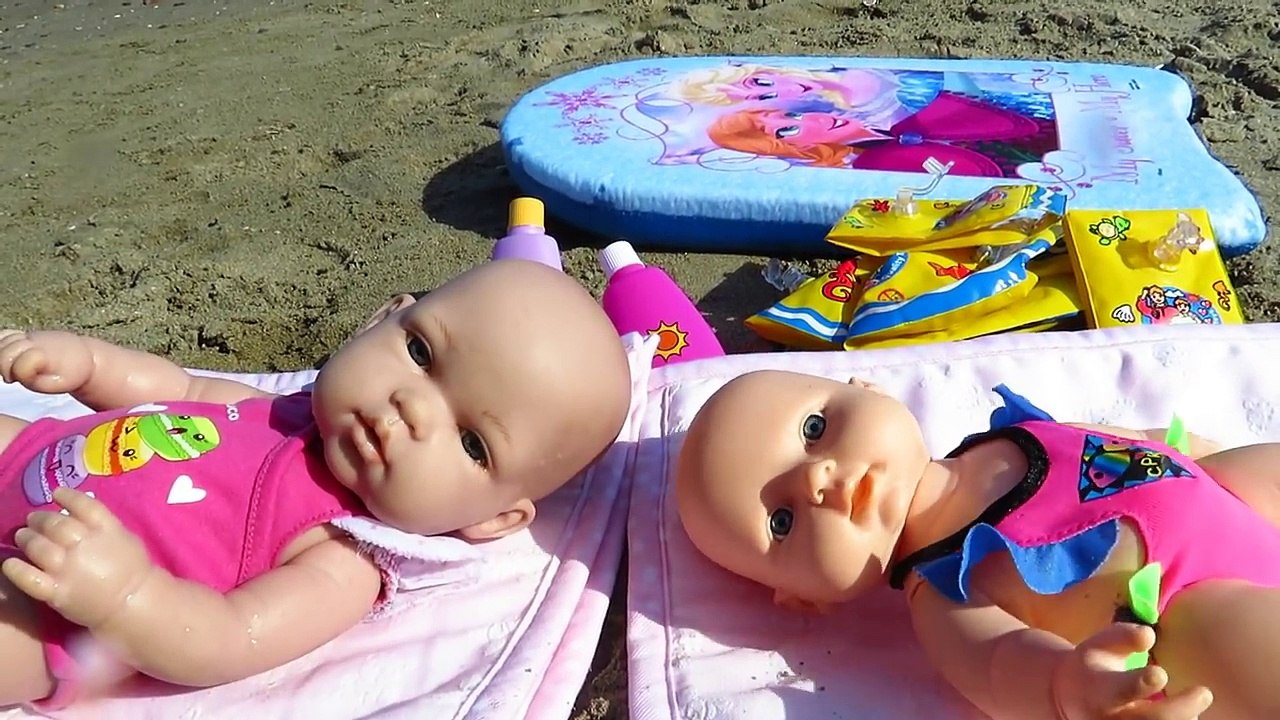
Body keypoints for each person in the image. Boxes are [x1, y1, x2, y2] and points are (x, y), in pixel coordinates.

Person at [0, 259, 633, 710]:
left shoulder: (344, 556)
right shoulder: (283, 410)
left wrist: (123, 597)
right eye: (420, 354)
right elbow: (182, 388)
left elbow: (228, 636)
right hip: (29, 455)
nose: (411, 409)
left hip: (52, 606)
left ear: (493, 517)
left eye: (471, 442)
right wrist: (89, 364)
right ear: (382, 320)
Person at [675, 369, 1280, 719]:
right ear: (807, 599)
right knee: (1241, 640)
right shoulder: (943, 593)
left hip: (1227, 492)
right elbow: (1000, 663)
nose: (816, 480)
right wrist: (1069, 686)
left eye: (815, 429)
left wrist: (1191, 448)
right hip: (1188, 603)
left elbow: (1130, 443)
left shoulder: (1011, 431)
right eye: (782, 522)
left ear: (867, 388)